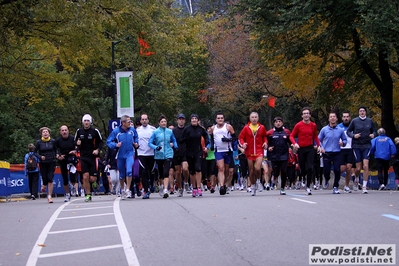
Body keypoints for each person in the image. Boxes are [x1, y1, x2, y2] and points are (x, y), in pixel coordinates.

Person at [289, 107, 320, 195]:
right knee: (302, 168)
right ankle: (303, 177)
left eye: (307, 113)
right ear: (302, 115)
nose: (306, 115)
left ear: (310, 115)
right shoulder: (298, 125)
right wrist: (295, 143)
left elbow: (315, 136)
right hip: (301, 148)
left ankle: (308, 186)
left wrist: (318, 146)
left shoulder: (313, 125)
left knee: (310, 167)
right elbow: (291, 136)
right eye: (304, 113)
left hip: (310, 148)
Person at [106, 115, 138, 199]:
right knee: (122, 175)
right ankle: (122, 190)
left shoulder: (132, 130)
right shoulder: (116, 131)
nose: (130, 123)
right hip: (120, 155)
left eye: (130, 121)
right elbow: (108, 141)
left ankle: (128, 189)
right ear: (123, 123)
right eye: (128, 122)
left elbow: (136, 137)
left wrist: (136, 143)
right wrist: (115, 145)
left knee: (129, 171)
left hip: (130, 153)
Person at [346, 106, 376, 194]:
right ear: (358, 112)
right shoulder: (355, 121)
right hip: (357, 146)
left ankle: (364, 186)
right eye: (360, 111)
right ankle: (356, 178)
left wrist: (373, 134)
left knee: (366, 166)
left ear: (366, 112)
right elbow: (348, 132)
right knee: (358, 168)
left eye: (363, 111)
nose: (362, 112)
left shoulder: (369, 121)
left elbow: (374, 131)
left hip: (366, 145)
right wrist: (353, 136)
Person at [75, 114, 103, 202]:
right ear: (82, 122)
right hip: (83, 157)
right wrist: (77, 144)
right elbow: (75, 142)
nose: (86, 122)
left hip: (93, 157)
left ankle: (95, 181)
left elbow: (101, 142)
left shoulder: (95, 131)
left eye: (88, 121)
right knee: (85, 177)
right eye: (85, 121)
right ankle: (88, 195)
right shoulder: (79, 131)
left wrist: (97, 150)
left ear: (90, 122)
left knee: (92, 178)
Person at [238, 112, 268, 196]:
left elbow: (265, 137)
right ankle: (253, 185)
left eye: (255, 117)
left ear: (258, 118)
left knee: (258, 168)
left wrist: (265, 143)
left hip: (259, 151)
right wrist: (243, 144)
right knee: (251, 171)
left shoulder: (261, 127)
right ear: (250, 118)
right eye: (252, 117)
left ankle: (258, 181)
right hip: (249, 151)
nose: (254, 119)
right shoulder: (246, 128)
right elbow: (241, 138)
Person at [148, 115, 178, 198]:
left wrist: (176, 146)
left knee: (166, 171)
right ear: (159, 123)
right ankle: (161, 187)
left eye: (165, 121)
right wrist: (156, 147)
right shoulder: (155, 132)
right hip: (159, 155)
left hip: (168, 153)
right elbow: (150, 143)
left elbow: (174, 140)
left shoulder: (170, 131)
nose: (164, 123)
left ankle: (165, 189)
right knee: (160, 173)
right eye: (162, 122)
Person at [318, 112, 347, 194]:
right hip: (326, 153)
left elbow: (345, 140)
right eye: (331, 117)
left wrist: (343, 143)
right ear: (329, 119)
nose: (333, 118)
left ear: (337, 119)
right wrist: (321, 148)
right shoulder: (324, 129)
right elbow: (318, 140)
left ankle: (335, 186)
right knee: (326, 171)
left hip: (337, 152)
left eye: (334, 116)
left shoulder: (340, 130)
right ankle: (326, 179)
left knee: (337, 170)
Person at [181, 114, 209, 197]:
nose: (194, 120)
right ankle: (194, 188)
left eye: (195, 118)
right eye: (192, 119)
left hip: (198, 152)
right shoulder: (186, 129)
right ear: (190, 120)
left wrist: (207, 147)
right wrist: (186, 139)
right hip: (189, 152)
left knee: (198, 169)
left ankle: (199, 187)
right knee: (192, 171)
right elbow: (181, 140)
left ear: (198, 120)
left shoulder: (201, 129)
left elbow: (207, 138)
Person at [210, 112, 236, 195]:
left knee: (227, 170)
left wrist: (228, 140)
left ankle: (225, 185)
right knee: (221, 168)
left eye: (221, 118)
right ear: (216, 120)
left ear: (224, 119)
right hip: (218, 151)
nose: (220, 119)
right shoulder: (213, 128)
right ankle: (221, 186)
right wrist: (211, 146)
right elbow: (211, 138)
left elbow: (235, 138)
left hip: (227, 150)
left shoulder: (228, 127)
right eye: (218, 118)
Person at [266, 116, 292, 195]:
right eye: (276, 122)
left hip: (284, 154)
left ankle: (282, 188)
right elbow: (265, 142)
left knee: (284, 171)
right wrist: (268, 147)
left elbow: (291, 141)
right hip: (274, 155)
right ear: (274, 123)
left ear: (282, 123)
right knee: (276, 171)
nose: (278, 123)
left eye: (280, 122)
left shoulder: (286, 132)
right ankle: (274, 178)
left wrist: (293, 146)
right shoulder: (270, 133)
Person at [55, 125, 78, 202]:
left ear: (68, 131)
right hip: (63, 159)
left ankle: (74, 186)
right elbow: (55, 150)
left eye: (65, 130)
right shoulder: (58, 140)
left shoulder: (72, 139)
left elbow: (78, 147)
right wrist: (58, 155)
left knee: (72, 177)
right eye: (63, 130)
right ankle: (67, 194)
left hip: (71, 159)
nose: (64, 132)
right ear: (60, 132)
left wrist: (74, 151)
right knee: (65, 178)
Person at [136, 113, 156, 199]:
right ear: (140, 121)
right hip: (141, 154)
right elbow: (134, 140)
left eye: (145, 119)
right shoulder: (137, 130)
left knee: (151, 172)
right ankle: (146, 190)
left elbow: (157, 140)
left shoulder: (153, 129)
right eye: (142, 119)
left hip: (151, 154)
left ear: (148, 120)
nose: (144, 121)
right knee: (143, 172)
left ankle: (152, 184)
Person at [35, 127, 57, 203]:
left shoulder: (53, 141)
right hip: (43, 163)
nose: (45, 133)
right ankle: (44, 185)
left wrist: (57, 154)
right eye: (43, 132)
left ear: (49, 133)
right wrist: (40, 157)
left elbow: (56, 150)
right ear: (41, 134)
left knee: (50, 178)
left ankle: (49, 196)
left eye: (46, 132)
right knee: (44, 178)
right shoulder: (38, 142)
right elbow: (34, 152)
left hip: (51, 162)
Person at [337, 111, 356, 192]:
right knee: (341, 169)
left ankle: (346, 186)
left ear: (350, 117)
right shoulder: (338, 126)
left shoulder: (353, 127)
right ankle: (336, 183)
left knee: (348, 169)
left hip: (350, 149)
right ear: (342, 118)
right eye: (344, 117)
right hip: (341, 150)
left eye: (347, 116)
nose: (346, 118)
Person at [173, 113, 190, 196]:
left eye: (182, 119)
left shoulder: (187, 130)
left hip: (185, 152)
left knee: (185, 169)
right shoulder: (173, 131)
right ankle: (180, 188)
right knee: (178, 172)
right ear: (177, 120)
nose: (181, 120)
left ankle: (186, 182)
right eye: (180, 119)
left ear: (185, 120)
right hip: (176, 152)